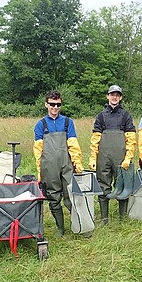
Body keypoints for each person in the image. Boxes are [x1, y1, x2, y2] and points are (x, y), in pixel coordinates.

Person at [33, 90, 83, 236]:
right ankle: (60, 228)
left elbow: (73, 145)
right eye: (52, 104)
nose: (55, 107)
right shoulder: (40, 125)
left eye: (58, 104)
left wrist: (77, 164)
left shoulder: (68, 122)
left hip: (66, 165)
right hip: (48, 167)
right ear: (46, 104)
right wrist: (40, 172)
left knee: (71, 195)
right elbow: (38, 151)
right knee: (54, 198)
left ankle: (78, 225)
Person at [88, 85, 136, 224]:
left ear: (120, 98)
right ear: (107, 96)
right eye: (112, 94)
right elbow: (95, 139)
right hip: (103, 158)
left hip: (121, 158)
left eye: (117, 95)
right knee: (103, 186)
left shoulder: (125, 115)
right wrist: (93, 157)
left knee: (123, 185)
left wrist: (128, 157)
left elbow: (131, 139)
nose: (114, 97)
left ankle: (123, 218)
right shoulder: (101, 116)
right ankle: (104, 219)